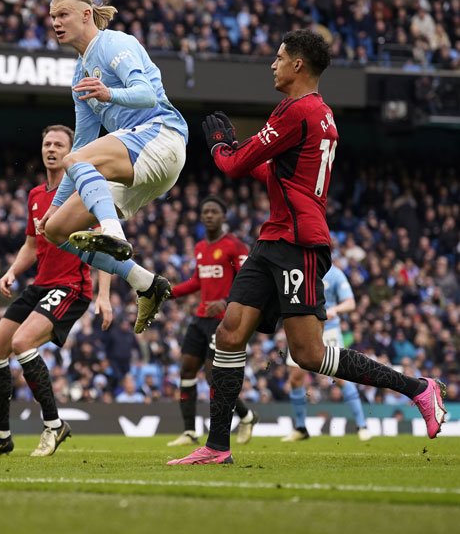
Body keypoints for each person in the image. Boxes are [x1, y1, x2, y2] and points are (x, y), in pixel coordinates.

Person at [170, 29, 447, 465]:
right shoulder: (318, 113)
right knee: (229, 332)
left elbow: (235, 166)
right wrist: (240, 154)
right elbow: (278, 176)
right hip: (274, 238)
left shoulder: (297, 111)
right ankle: (217, 446)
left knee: (308, 353)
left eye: (279, 58)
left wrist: (221, 147)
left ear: (298, 65)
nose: (273, 64)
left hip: (299, 243)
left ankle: (419, 389)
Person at [38, 0, 188, 335]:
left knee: (75, 160)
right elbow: (84, 143)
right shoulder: (79, 76)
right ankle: (147, 283)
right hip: (136, 164)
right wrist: (55, 205)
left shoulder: (114, 44)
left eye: (63, 15)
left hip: (161, 136)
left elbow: (147, 94)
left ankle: (112, 231)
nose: (56, 23)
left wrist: (110, 93)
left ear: (86, 15)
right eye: (53, 17)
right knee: (58, 229)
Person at [0, 125, 112, 457]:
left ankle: (55, 426)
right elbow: (32, 244)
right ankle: (0, 435)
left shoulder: (84, 192)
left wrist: (104, 295)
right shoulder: (35, 195)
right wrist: (12, 271)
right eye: (47, 143)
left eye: (59, 144)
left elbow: (106, 243)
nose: (52, 149)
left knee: (22, 342)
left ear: (71, 151)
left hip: (72, 286)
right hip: (40, 284)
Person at [166, 196, 258, 447]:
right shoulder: (200, 247)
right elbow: (197, 281)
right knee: (186, 368)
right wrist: (168, 292)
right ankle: (189, 432)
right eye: (205, 211)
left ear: (223, 216)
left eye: (214, 211)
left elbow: (248, 280)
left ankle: (246, 416)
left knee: (212, 376)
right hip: (200, 317)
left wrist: (228, 301)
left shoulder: (235, 246)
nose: (208, 215)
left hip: (223, 321)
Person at [282, 259, 372, 442]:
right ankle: (300, 428)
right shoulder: (297, 269)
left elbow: (350, 303)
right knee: (295, 378)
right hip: (301, 329)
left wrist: (335, 310)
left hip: (328, 329)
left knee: (340, 377)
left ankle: (362, 426)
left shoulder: (335, 273)